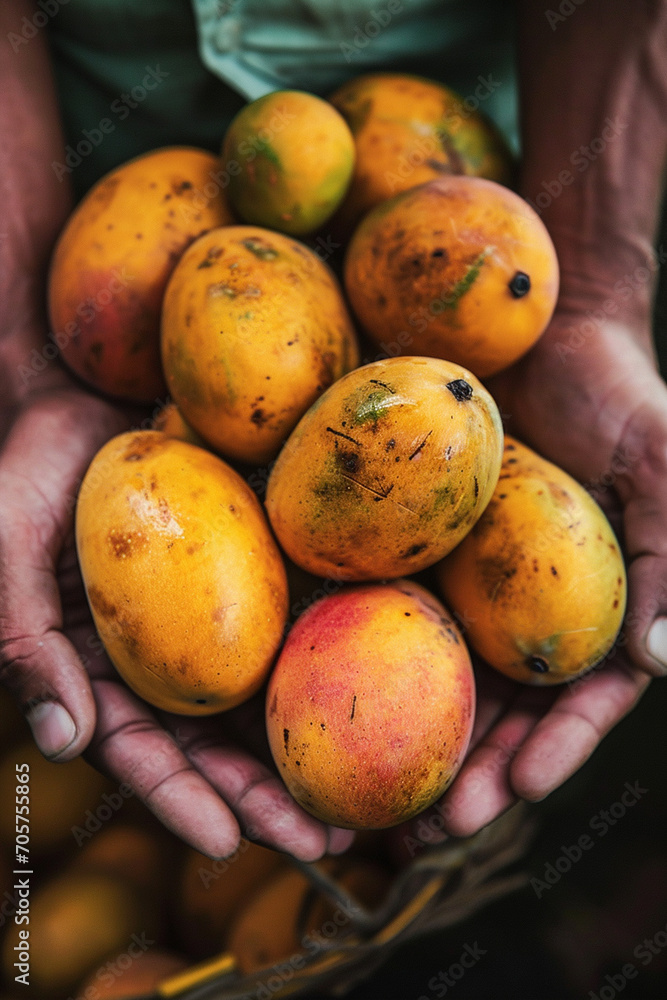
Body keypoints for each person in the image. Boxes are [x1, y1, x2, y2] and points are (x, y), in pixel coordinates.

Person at [0, 0, 665, 862]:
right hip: (93, 162)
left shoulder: (434, 392)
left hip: (477, 149)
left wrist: (589, 293)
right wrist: (27, 351)